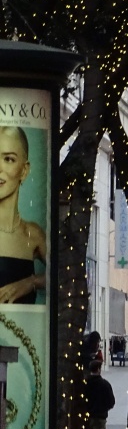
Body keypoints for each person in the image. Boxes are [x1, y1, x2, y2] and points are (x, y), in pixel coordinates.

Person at [0, 126, 47, 304]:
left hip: (25, 331)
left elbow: (63, 276)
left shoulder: (33, 234)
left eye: (8, 159)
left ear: (24, 170)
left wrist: (32, 282)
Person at [85, 359, 115, 429]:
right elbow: (111, 402)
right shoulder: (105, 384)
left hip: (87, 415)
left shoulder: (85, 383)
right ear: (98, 369)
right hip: (100, 416)